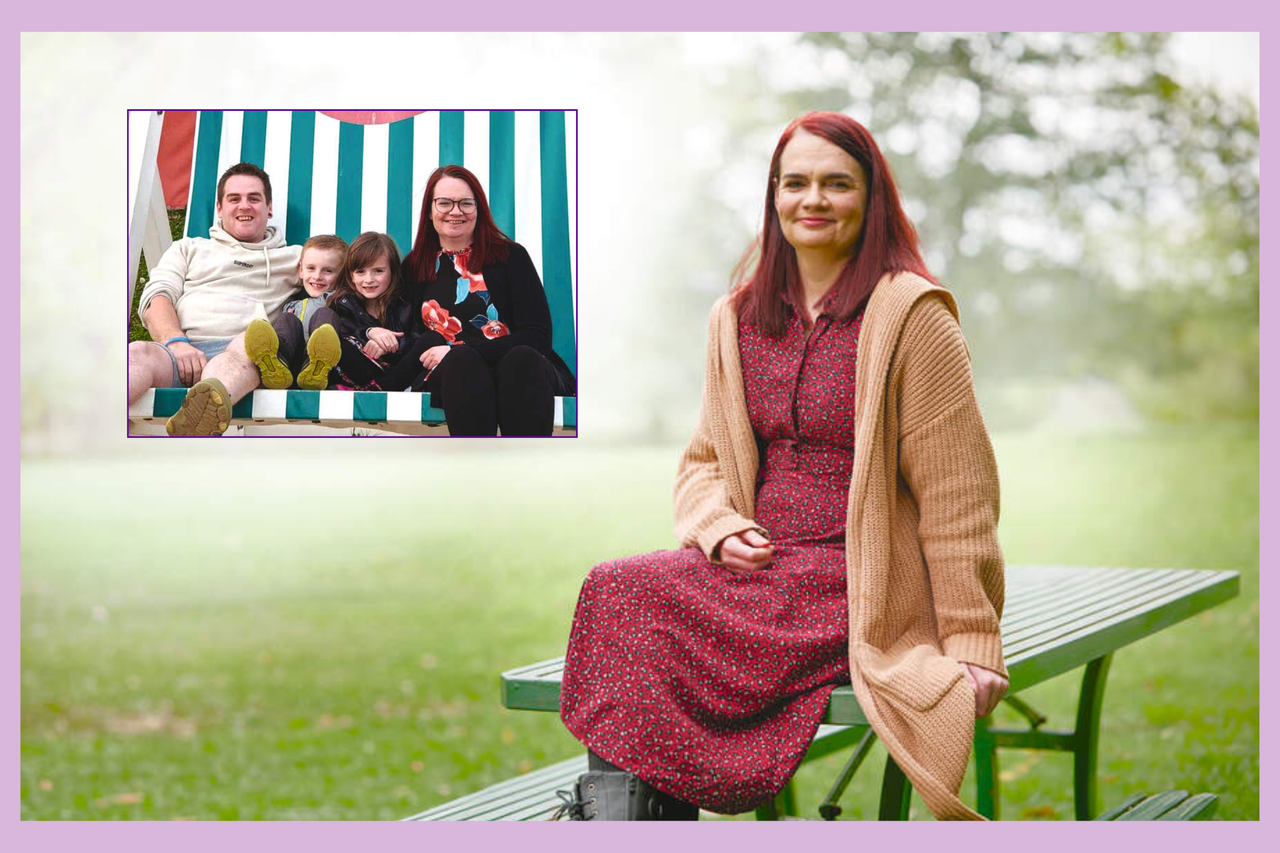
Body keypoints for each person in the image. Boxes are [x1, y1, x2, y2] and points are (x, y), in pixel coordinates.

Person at [556, 112, 1008, 821]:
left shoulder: (913, 316)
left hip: (859, 573)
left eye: (836, 184)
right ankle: (623, 822)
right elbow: (704, 461)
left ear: (871, 199)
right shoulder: (736, 317)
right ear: (774, 197)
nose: (813, 199)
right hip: (760, 569)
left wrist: (973, 639)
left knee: (646, 616)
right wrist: (717, 526)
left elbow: (958, 494)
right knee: (617, 589)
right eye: (795, 182)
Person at [399, 165, 576, 436]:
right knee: (462, 364)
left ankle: (528, 470)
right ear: (430, 210)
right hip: (452, 374)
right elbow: (402, 329)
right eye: (444, 203)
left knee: (521, 359)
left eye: (466, 204)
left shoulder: (510, 257)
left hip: (517, 369)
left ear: (478, 209)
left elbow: (537, 335)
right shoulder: (415, 266)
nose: (455, 211)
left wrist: (462, 351)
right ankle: (478, 473)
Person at [129, 162, 303, 436]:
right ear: (220, 209)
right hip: (181, 350)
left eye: (254, 198)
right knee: (138, 354)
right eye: (234, 199)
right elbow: (156, 299)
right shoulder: (188, 248)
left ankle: (201, 415)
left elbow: (349, 277)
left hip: (241, 356)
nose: (244, 206)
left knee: (250, 344)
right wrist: (176, 343)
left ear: (269, 208)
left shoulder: (298, 259)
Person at [314, 231, 419, 391]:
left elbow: (416, 341)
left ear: (392, 271)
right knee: (337, 342)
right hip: (349, 372)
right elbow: (342, 336)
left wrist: (389, 345)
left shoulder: (405, 305)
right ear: (351, 275)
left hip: (391, 378)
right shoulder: (341, 303)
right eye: (360, 271)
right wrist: (368, 332)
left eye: (378, 271)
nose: (369, 279)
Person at [242, 235, 345, 391]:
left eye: (328, 271)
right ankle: (276, 362)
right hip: (291, 367)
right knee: (286, 319)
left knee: (325, 315)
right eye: (311, 268)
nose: (317, 276)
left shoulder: (341, 301)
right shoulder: (291, 304)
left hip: (329, 370)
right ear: (300, 270)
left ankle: (317, 364)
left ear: (343, 276)